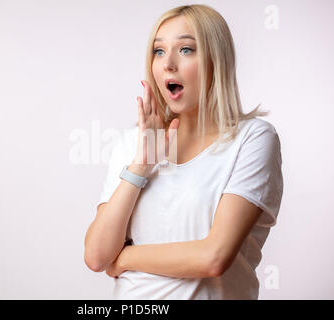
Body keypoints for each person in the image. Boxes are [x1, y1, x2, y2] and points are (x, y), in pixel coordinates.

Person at [84, 4, 283, 300]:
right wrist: (141, 166)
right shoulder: (132, 143)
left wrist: (124, 259)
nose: (168, 64)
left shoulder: (252, 139)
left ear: (218, 60)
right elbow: (97, 256)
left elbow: (213, 257)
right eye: (159, 51)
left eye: (186, 50)